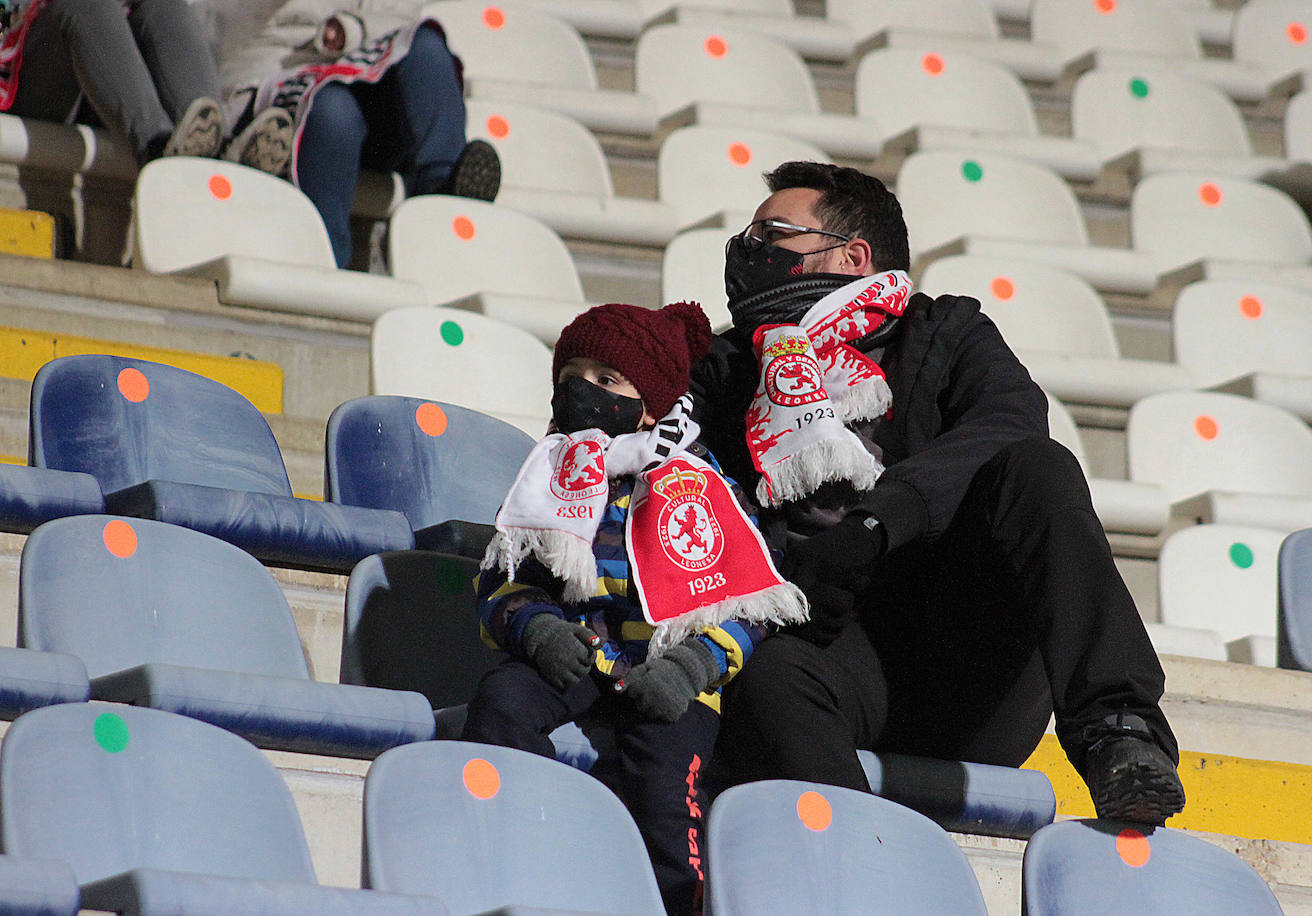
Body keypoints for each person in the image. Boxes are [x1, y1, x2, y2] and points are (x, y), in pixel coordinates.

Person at [691, 161, 1187, 826]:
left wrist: (876, 525)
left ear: (852, 256)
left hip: (963, 665)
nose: (747, 251)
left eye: (772, 234)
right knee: (768, 671)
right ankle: (859, 860)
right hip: (824, 655)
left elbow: (1009, 423)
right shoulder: (726, 369)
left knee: (1039, 468)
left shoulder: (945, 331)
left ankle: (1120, 735)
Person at [460, 301, 806, 915]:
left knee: (668, 794)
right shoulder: (547, 478)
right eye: (573, 375)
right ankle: (525, 864)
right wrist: (538, 631)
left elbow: (754, 606)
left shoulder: (704, 485)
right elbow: (502, 581)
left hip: (668, 680)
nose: (584, 390)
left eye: (608, 379)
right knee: (502, 702)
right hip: (575, 658)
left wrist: (692, 668)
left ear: (649, 406)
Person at [218, 0, 500, 268]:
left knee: (426, 45)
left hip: (368, 82)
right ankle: (326, 262)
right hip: (289, 82)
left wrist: (354, 29)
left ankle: (441, 197)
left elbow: (401, 14)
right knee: (333, 110)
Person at [2, 0, 290, 171]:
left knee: (164, 6)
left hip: (97, 73)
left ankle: (216, 149)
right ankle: (158, 148)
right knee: (84, 3)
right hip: (27, 77)